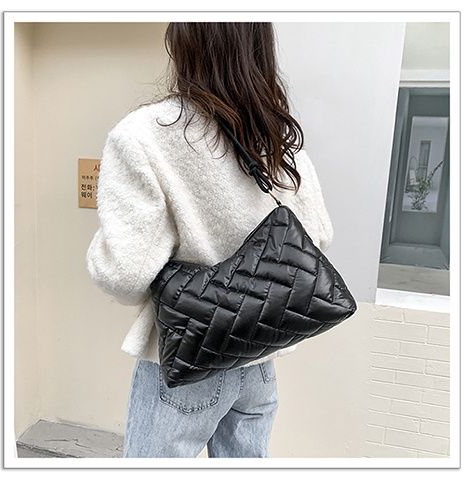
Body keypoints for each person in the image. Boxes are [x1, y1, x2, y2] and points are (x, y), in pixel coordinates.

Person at [86, 22, 333, 458]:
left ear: (184, 44)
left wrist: (98, 254)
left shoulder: (144, 135)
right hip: (259, 356)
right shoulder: (275, 134)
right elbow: (318, 238)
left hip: (188, 356)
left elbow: (125, 273)